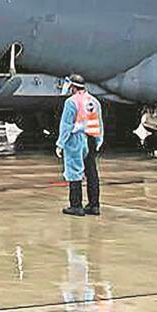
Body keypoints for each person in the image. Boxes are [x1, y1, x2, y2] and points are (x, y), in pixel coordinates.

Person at [55, 74, 103, 216]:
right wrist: (99, 140)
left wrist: (60, 144)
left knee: (74, 172)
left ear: (73, 87)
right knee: (91, 172)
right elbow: (99, 122)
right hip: (91, 138)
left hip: (76, 139)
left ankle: (76, 206)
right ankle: (94, 205)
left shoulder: (71, 102)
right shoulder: (94, 101)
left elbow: (66, 125)